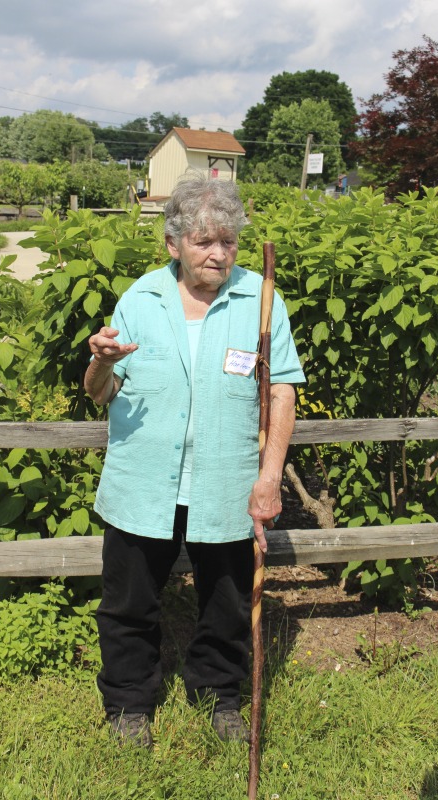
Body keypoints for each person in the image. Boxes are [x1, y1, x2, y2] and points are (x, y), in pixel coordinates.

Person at [84, 172, 305, 749]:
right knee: (129, 601)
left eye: (228, 240)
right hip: (142, 480)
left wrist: (269, 476)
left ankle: (219, 696)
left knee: (228, 600)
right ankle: (130, 703)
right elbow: (99, 392)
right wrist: (102, 361)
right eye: (204, 241)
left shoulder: (259, 298)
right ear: (174, 243)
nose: (219, 253)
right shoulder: (141, 298)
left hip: (227, 479)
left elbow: (281, 389)